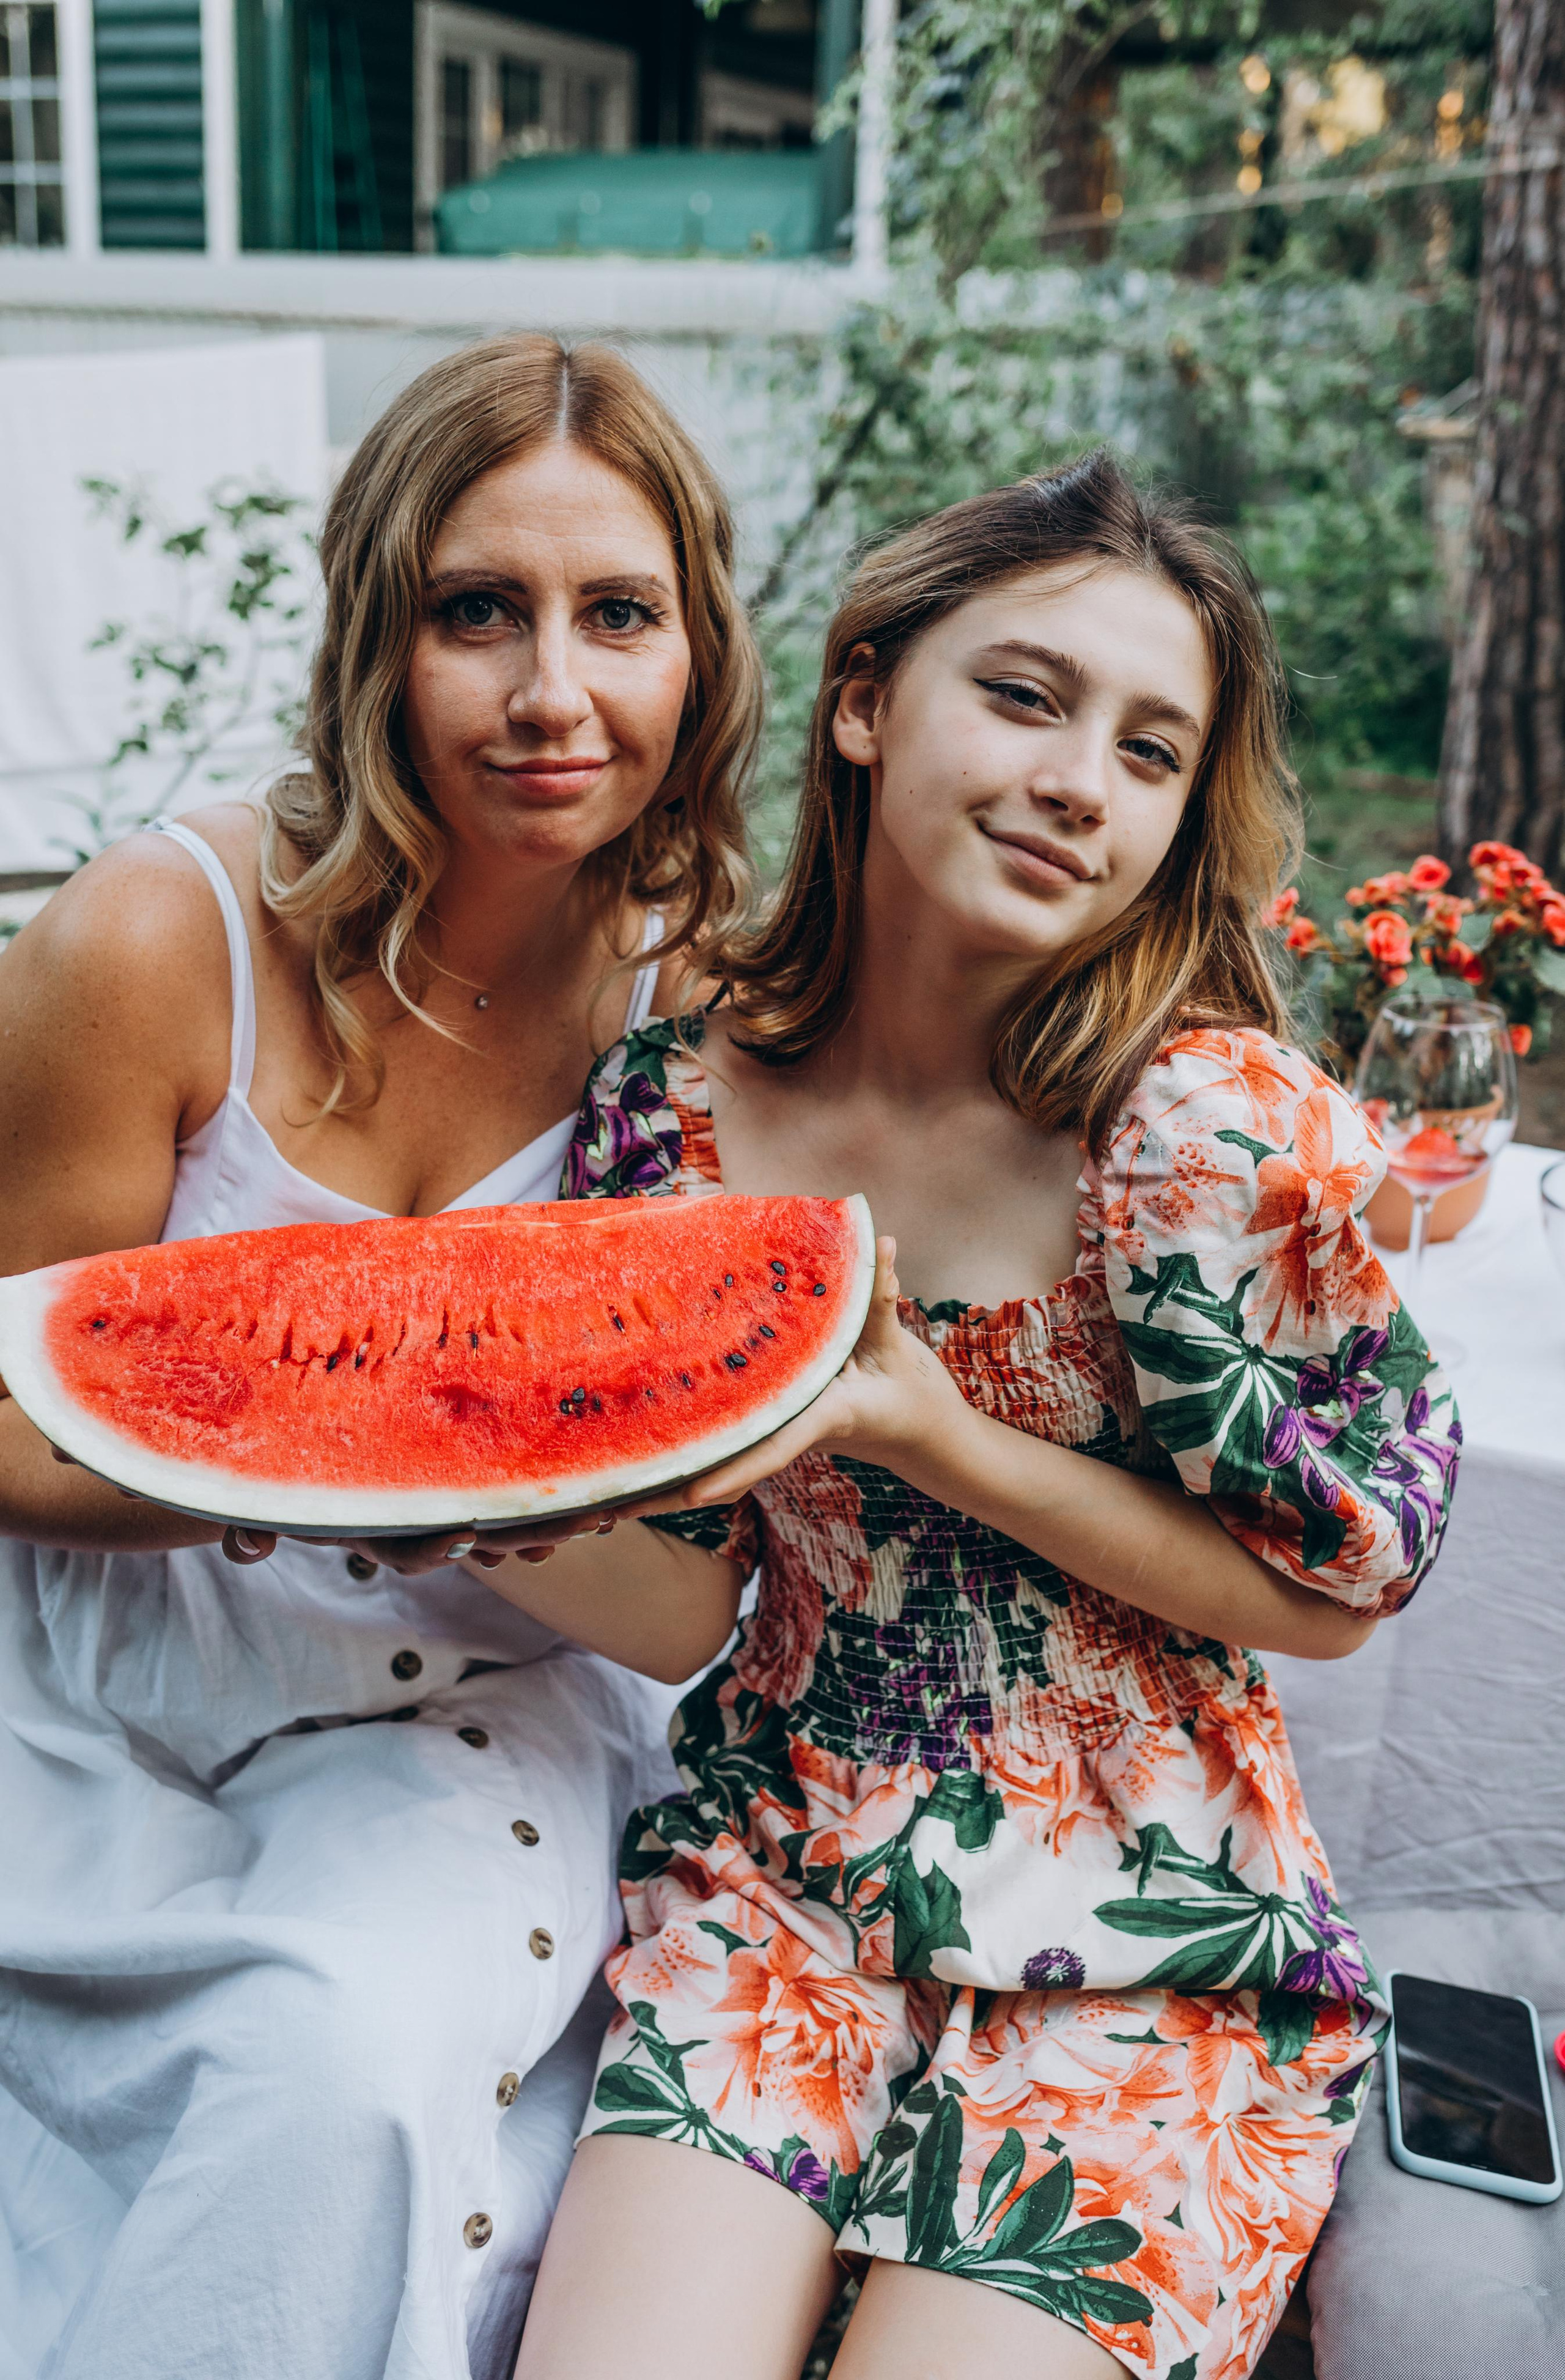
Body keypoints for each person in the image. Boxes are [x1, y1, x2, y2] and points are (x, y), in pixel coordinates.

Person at [432, 454, 1459, 2380]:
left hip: (1160, 1946)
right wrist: (463, 1497)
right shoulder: (669, 1111)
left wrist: (931, 1426)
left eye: (1155, 753)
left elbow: (1334, 1592)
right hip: (783, 1894)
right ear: (864, 696)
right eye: (1029, 694)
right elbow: (686, 1602)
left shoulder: (1196, 1129)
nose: (1087, 780)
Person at [0, 334, 760, 2380]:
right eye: (475, 611)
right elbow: (3, 1400)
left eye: (619, 615)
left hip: (461, 1703)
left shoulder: (709, 1008)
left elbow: (695, 1588)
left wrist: (461, 1476)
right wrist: (290, 1439)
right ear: (374, 632)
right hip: (91, 1677)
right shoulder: (154, 941)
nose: (550, 693)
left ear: (700, 649)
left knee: (324, 2082)